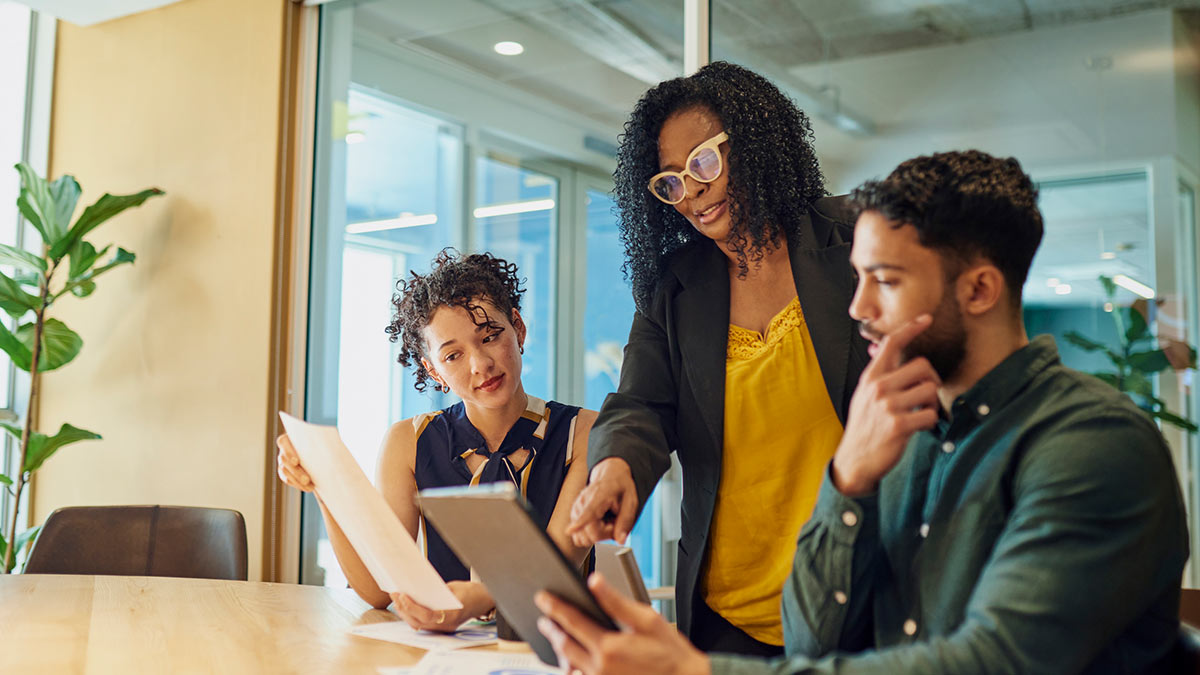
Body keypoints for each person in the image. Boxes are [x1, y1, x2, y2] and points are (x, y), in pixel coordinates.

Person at [537, 149, 1189, 673]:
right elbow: (811, 638)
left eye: (887, 280)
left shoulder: (1094, 446)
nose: (858, 308)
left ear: (981, 288)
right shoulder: (906, 437)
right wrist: (846, 478)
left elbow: (993, 660)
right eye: (859, 277)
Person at [566, 61, 869, 655]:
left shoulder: (857, 241)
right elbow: (639, 405)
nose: (692, 192)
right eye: (670, 182)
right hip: (727, 618)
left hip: (858, 604)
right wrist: (615, 468)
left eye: (703, 161)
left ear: (755, 146)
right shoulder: (675, 289)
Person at [277, 250, 596, 631]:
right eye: (453, 355)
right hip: (445, 651)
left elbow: (557, 565)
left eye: (490, 336)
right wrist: (322, 485)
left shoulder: (584, 432)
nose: (480, 364)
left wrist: (475, 600)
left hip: (562, 649)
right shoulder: (407, 442)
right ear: (433, 370)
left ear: (518, 328)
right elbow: (380, 590)